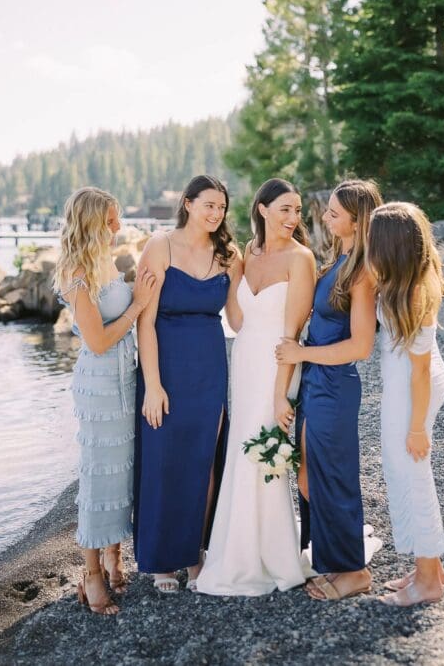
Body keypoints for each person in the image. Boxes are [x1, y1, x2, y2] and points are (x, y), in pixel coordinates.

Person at [196, 178, 315, 596]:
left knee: (264, 451)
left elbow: (292, 334)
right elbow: (239, 319)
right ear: (262, 210)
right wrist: (232, 276)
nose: (293, 218)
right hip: (244, 360)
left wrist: (282, 393)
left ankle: (272, 552)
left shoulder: (301, 259)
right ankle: (233, 548)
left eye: (297, 211)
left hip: (277, 367)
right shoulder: (249, 252)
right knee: (239, 451)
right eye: (285, 209)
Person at [275, 179, 384, 601]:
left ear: (358, 222)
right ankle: (329, 559)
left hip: (335, 384)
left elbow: (361, 346)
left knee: (333, 478)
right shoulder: (339, 259)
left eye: (334, 214)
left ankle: (354, 571)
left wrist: (301, 354)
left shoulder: (362, 272)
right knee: (306, 476)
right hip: (315, 382)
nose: (324, 217)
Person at [54, 187, 157, 614]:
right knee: (100, 475)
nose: (118, 227)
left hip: (125, 375)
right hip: (99, 382)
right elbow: (96, 342)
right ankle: (92, 574)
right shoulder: (77, 271)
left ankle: (116, 555)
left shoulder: (106, 260)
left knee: (124, 468)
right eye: (111, 220)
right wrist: (138, 306)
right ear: (92, 222)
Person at [134, 175, 237, 593]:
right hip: (166, 365)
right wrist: (153, 385)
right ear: (188, 203)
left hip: (210, 366)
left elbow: (241, 316)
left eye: (222, 207)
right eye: (208, 204)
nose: (215, 213)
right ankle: (161, 561)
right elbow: (145, 320)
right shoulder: (160, 246)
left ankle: (196, 554)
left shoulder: (229, 253)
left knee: (204, 461)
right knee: (164, 459)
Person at [366, 202, 444, 606]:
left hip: (415, 386)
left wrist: (417, 428)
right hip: (407, 381)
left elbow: (419, 371)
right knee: (401, 470)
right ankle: (425, 567)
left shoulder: (415, 291)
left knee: (414, 472)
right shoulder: (400, 281)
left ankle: (430, 581)